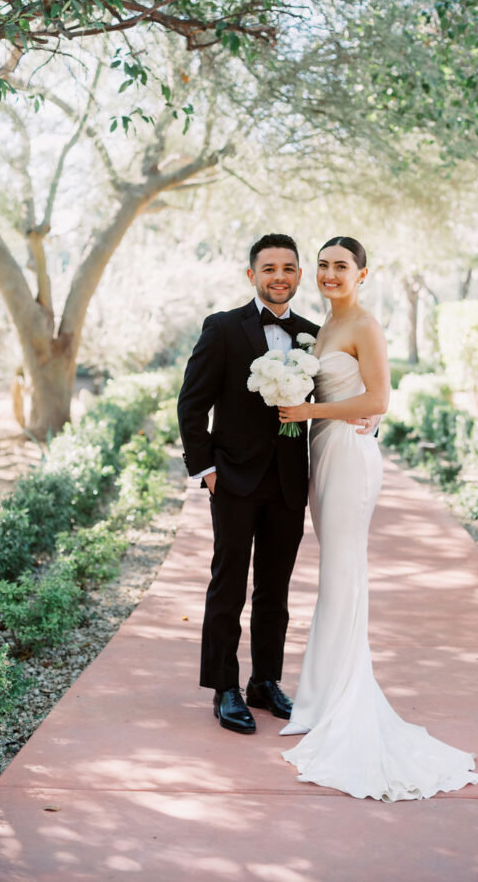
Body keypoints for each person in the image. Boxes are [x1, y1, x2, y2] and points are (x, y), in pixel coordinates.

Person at [277, 236, 478, 800]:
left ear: (363, 273)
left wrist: (309, 409)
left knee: (341, 577)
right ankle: (320, 697)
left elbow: (378, 402)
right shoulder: (321, 328)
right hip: (325, 451)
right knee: (336, 578)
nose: (329, 274)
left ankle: (335, 703)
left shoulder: (364, 324)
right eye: (323, 265)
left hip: (348, 457)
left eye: (341, 266)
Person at [178, 233, 375, 735]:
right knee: (228, 583)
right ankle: (225, 686)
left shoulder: (315, 334)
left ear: (299, 276)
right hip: (234, 480)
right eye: (269, 269)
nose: (280, 277)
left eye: (289, 268)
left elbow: (348, 389)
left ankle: (265, 682)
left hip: (290, 481)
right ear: (252, 276)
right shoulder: (222, 329)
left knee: (276, 589)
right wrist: (206, 470)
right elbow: (192, 404)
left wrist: (370, 424)